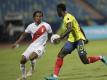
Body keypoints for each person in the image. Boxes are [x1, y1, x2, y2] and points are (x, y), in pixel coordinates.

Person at [45, 3, 107, 80]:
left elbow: (70, 28)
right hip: (71, 40)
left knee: (85, 60)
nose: (57, 12)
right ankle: (55, 77)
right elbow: (79, 27)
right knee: (60, 55)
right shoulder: (68, 17)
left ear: (61, 10)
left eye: (57, 11)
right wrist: (85, 37)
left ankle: (101, 57)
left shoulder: (68, 17)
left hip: (79, 40)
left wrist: (61, 37)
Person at [12, 10, 53, 80]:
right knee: (22, 60)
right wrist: (16, 42)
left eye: (40, 16)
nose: (38, 17)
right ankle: (24, 76)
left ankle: (32, 69)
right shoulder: (30, 26)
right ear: (34, 17)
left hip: (41, 47)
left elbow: (52, 34)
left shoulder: (46, 25)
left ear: (42, 17)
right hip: (32, 46)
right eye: (37, 16)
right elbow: (23, 35)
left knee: (31, 57)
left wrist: (54, 39)